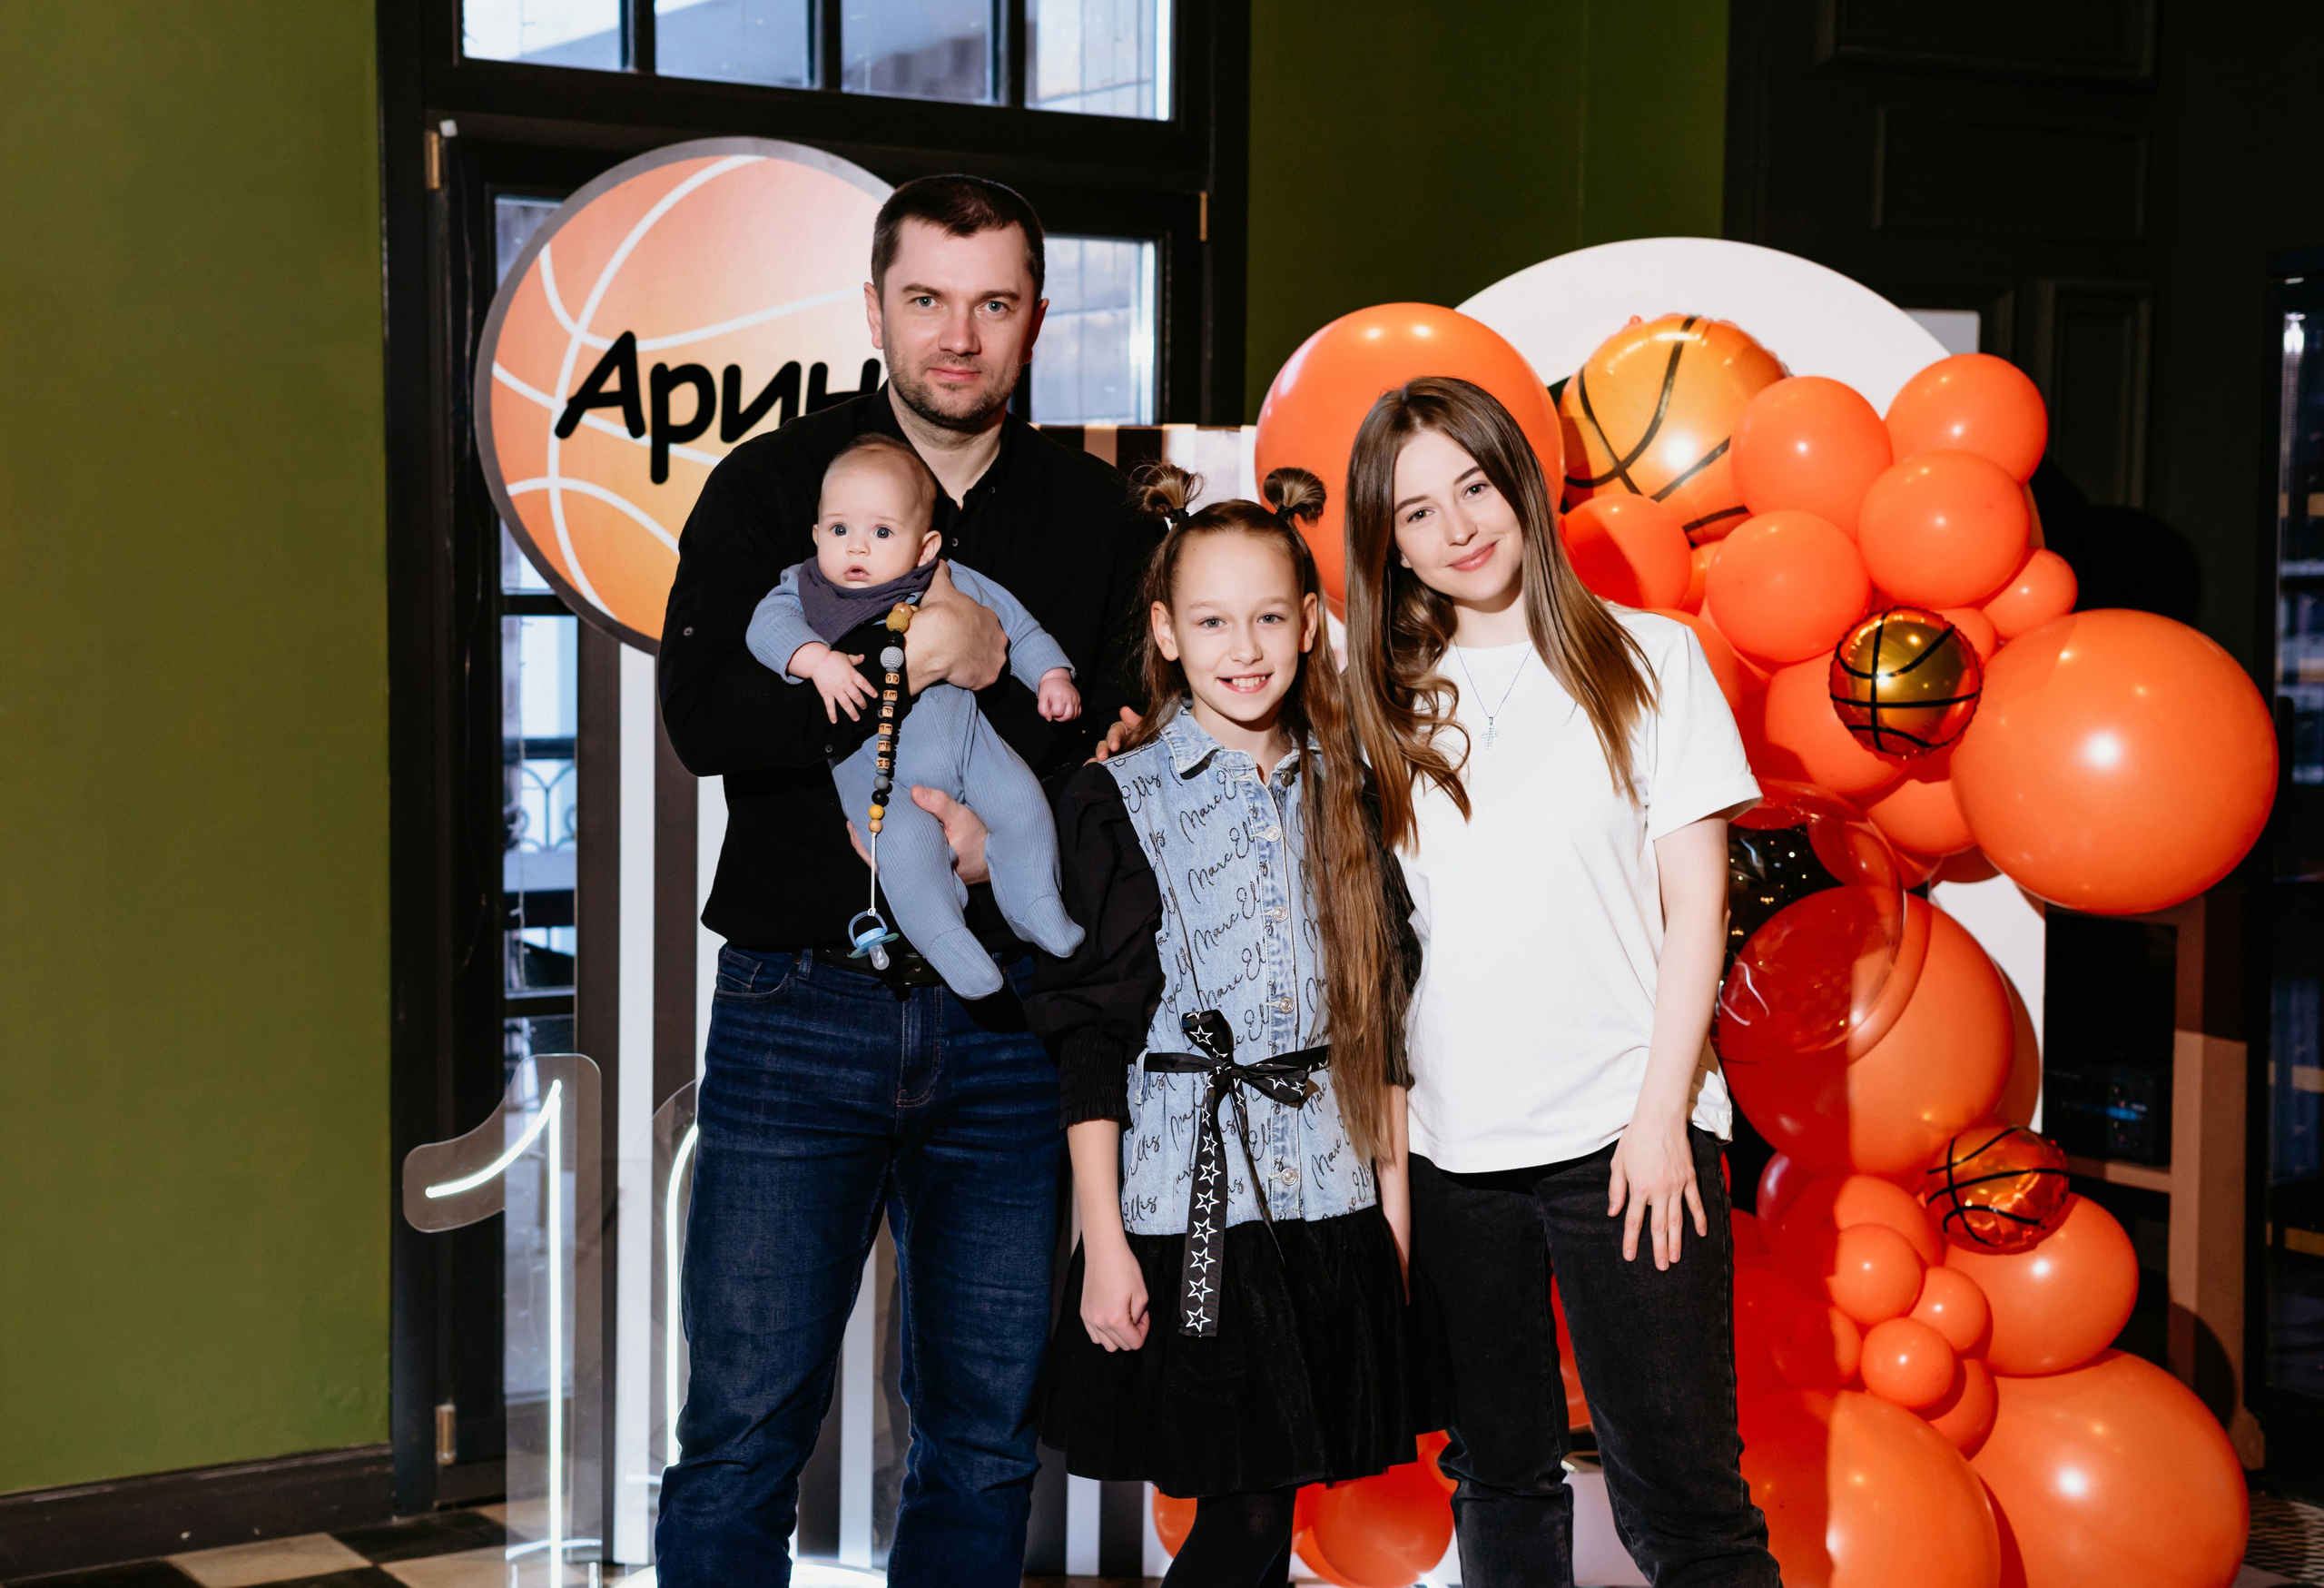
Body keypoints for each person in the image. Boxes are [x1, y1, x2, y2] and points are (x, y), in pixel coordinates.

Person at [654, 173, 1158, 1588]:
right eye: (927, 299)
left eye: (993, 303)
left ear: (1036, 320)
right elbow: (705, 716)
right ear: (872, 305)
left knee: (985, 1436)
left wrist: (1000, 683)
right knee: (743, 1428)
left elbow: (1115, 753)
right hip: (797, 1005)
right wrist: (907, 662)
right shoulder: (773, 485)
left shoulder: (1094, 516)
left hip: (1007, 1036)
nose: (958, 335)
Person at [1339, 377, 1778, 1588]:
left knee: (1686, 1501)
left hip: (1628, 1142)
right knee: (1498, 1476)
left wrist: (1657, 1124)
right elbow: (1380, 949)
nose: (1458, 527)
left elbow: (1701, 906)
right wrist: (1393, 1174)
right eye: (1417, 512)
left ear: (1523, 485)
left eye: (1475, 487)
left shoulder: (1654, 660)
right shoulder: (1378, 698)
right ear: (1391, 541)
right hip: (1453, 1152)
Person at [1026, 464, 1417, 1588]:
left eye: (1264, 618)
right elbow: (1090, 1038)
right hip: (1183, 1206)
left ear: (1307, 624)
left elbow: (1377, 1020)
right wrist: (1101, 1241)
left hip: (1328, 1201)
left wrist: (1391, 1225)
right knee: (1241, 1522)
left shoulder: (1350, 788)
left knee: (1268, 1516)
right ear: (1164, 630)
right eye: (1209, 621)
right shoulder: (1116, 799)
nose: (1240, 648)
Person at [744, 432, 1084, 996]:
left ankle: (1038, 905)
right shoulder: (805, 591)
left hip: (970, 744)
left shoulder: (946, 581)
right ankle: (949, 945)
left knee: (1023, 806)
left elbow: (1016, 625)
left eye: (881, 532)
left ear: (925, 547)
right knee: (906, 850)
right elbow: (765, 628)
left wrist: (1051, 674)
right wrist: (816, 661)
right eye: (839, 530)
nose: (857, 549)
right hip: (873, 768)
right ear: (815, 534)